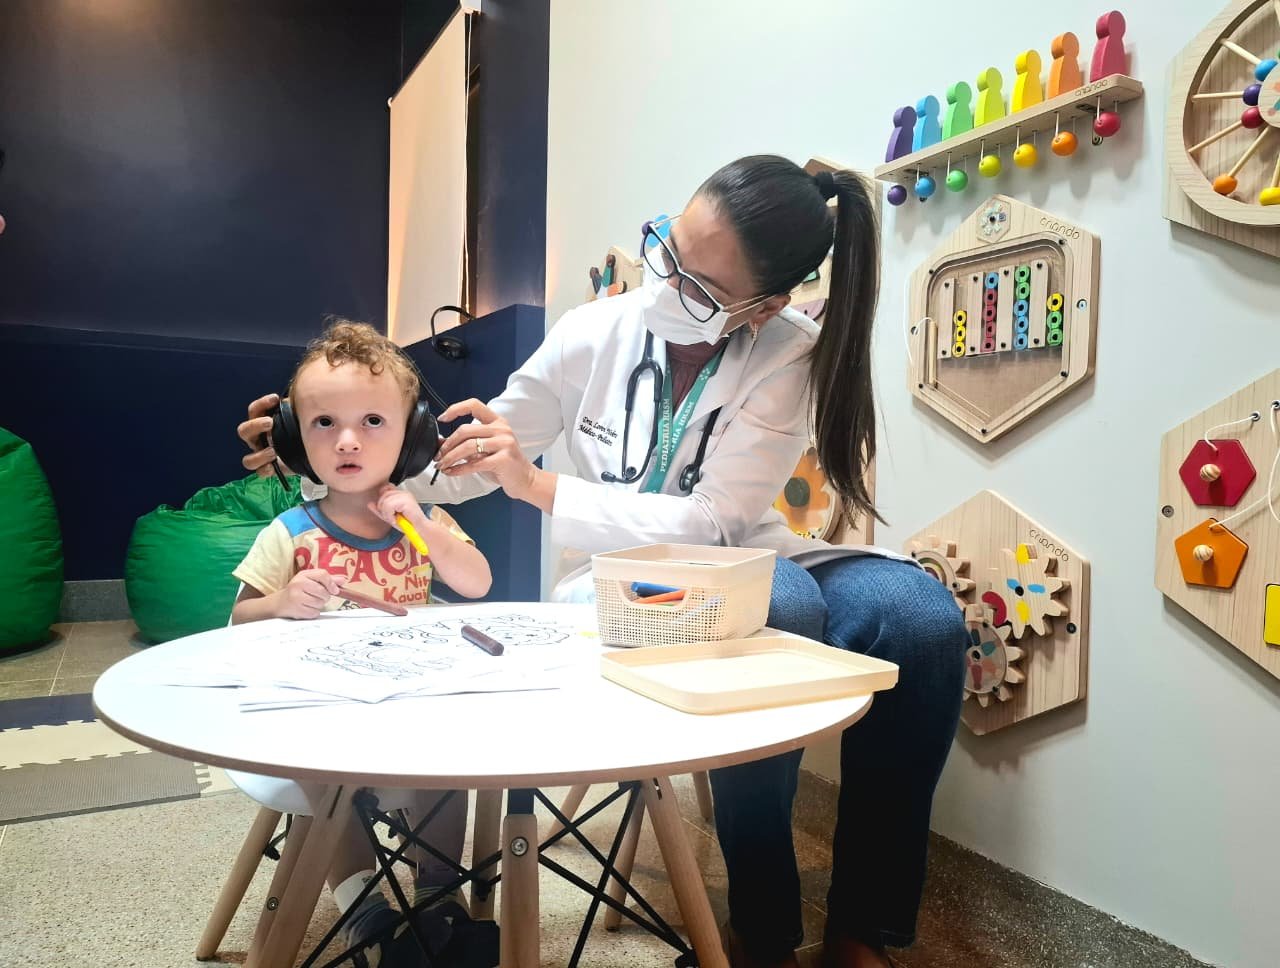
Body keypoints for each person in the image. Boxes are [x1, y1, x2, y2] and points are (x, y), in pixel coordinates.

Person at [238, 155, 967, 968]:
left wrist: (540, 486)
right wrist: (323, 455)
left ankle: (863, 932)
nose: (665, 284)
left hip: (742, 550)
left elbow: (714, 522)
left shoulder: (793, 354)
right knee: (783, 605)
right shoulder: (592, 332)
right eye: (668, 248)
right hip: (616, 580)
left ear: (764, 307)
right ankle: (763, 931)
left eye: (699, 287)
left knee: (923, 621)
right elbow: (469, 461)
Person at [233, 320, 496, 968]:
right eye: (324, 423)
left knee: (450, 764)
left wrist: (421, 524)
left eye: (374, 421)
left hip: (412, 711)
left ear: (413, 437)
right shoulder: (289, 532)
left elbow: (477, 583)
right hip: (321, 718)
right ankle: (364, 909)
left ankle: (437, 899)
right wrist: (281, 602)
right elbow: (239, 620)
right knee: (329, 775)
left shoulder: (423, 525)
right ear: (294, 437)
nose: (347, 440)